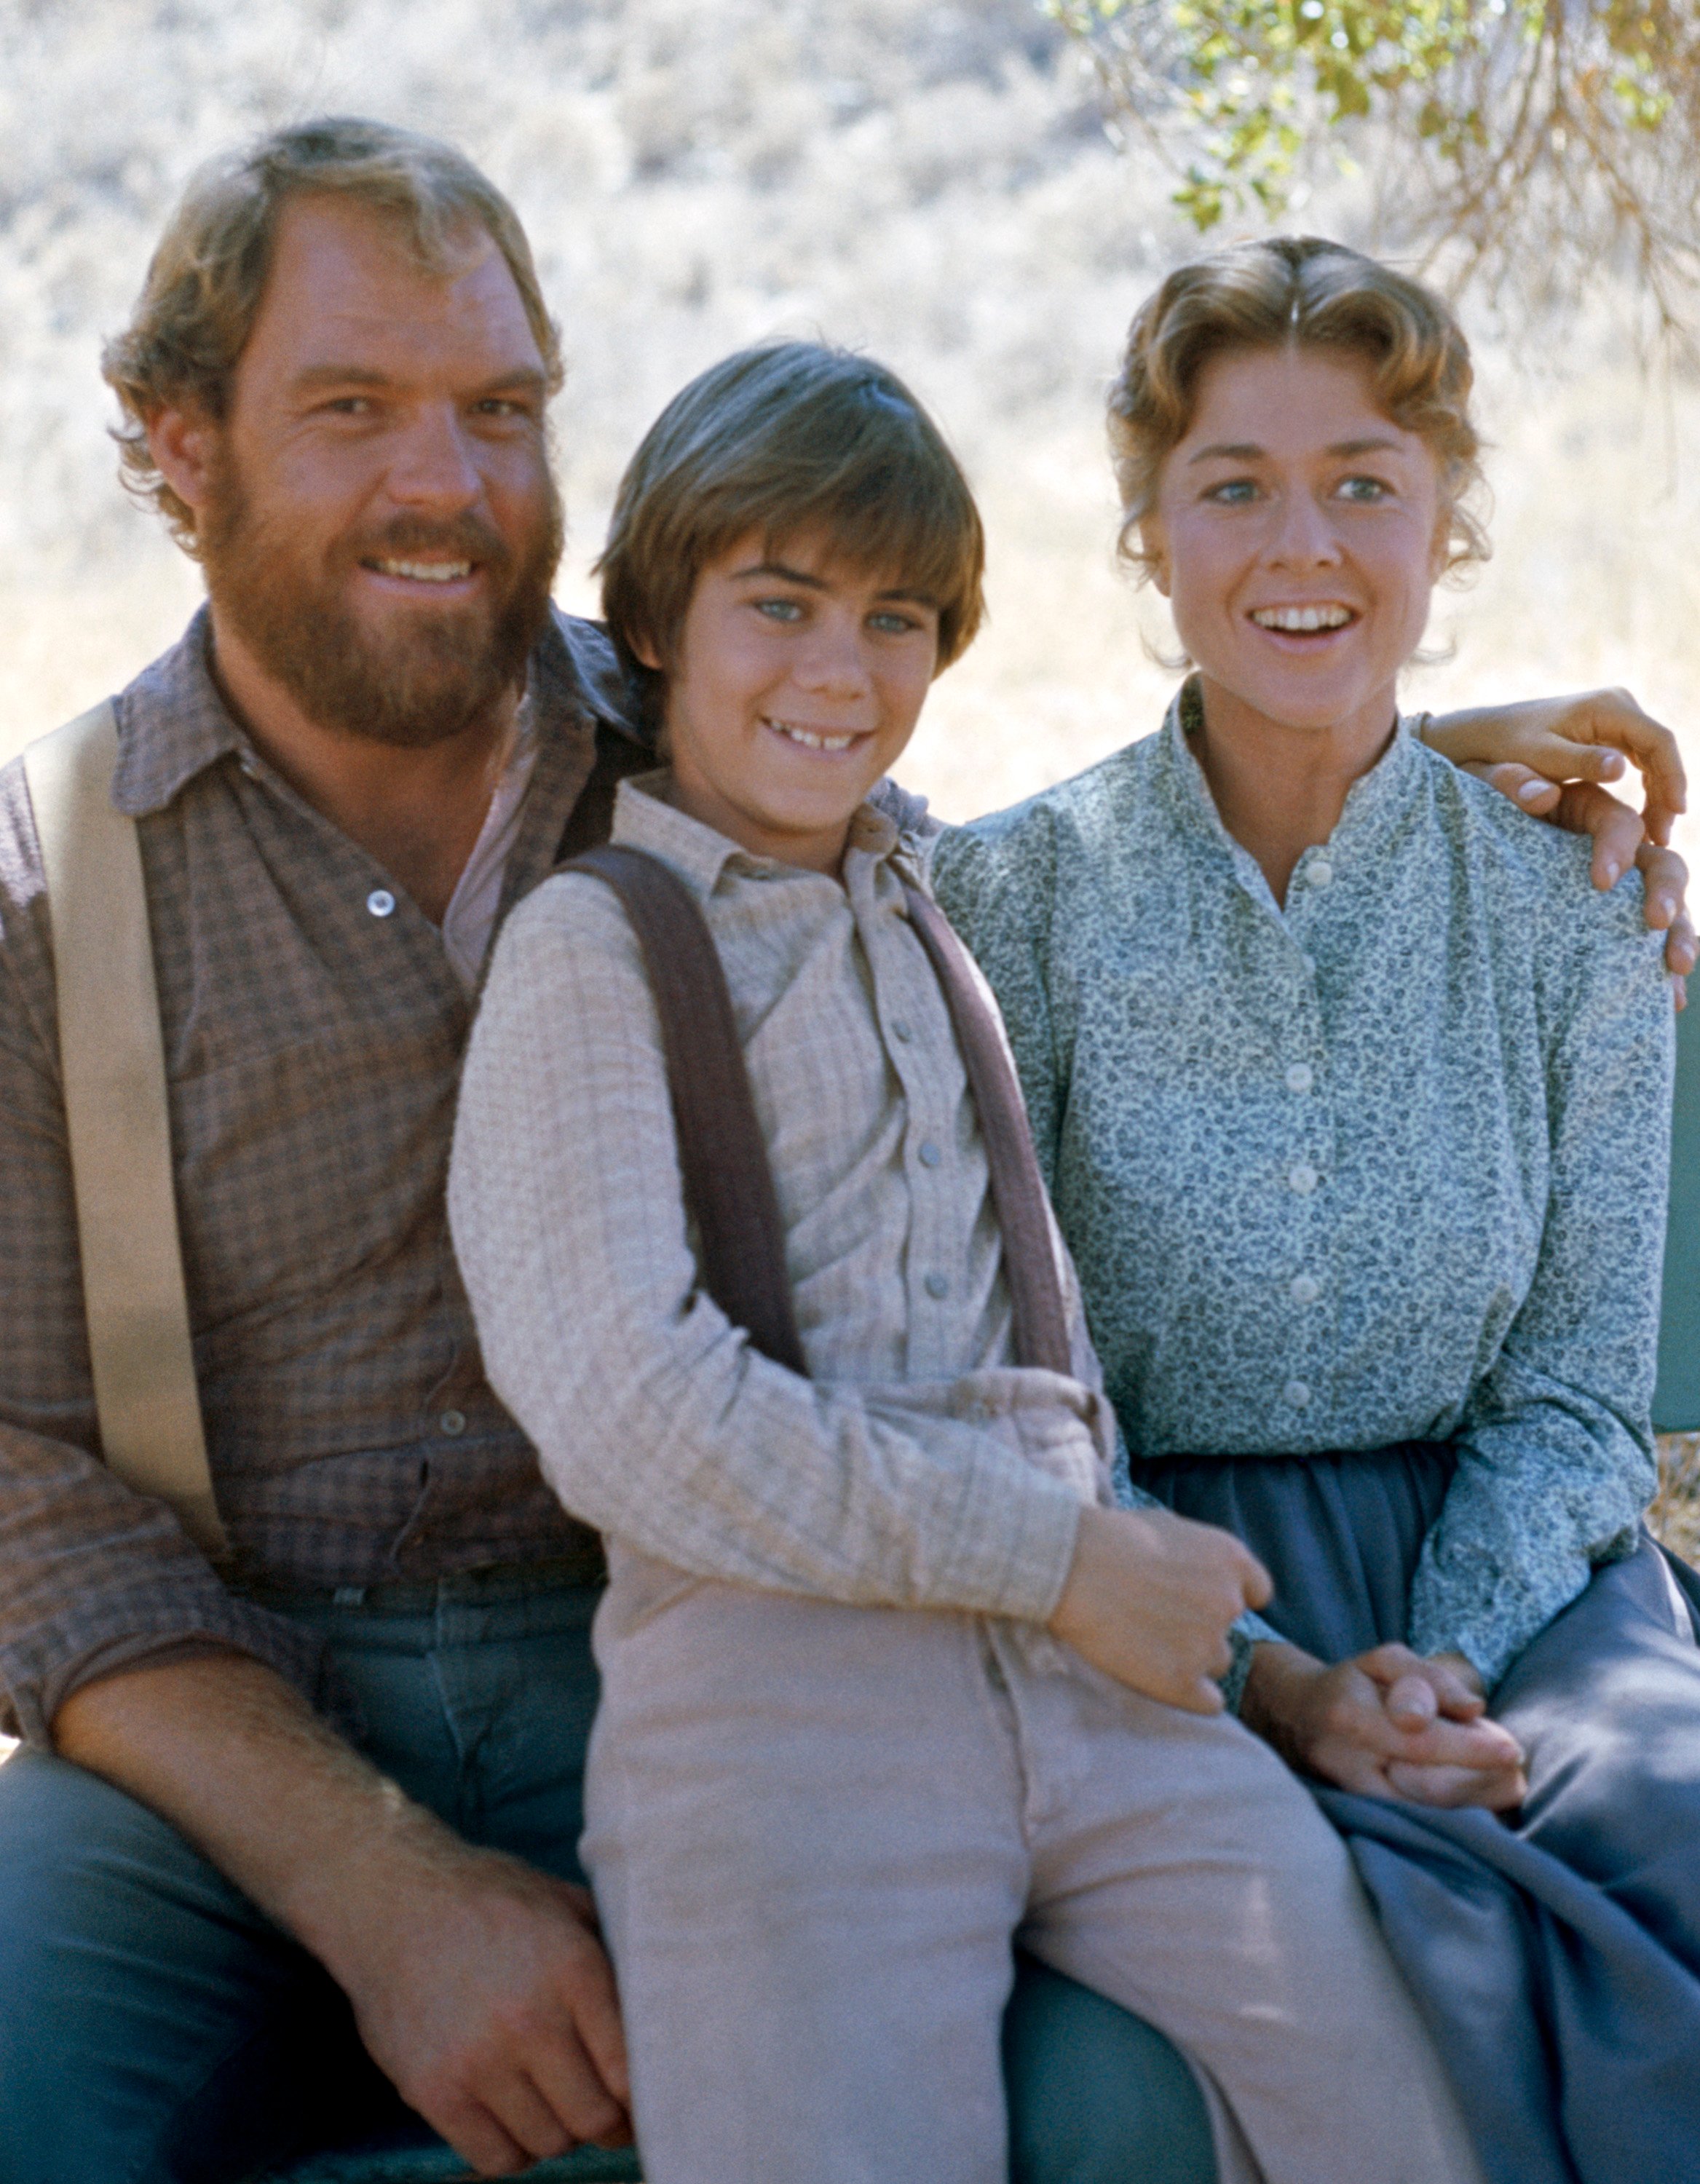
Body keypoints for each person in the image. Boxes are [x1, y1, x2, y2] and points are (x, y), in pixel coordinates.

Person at [0, 116, 1681, 2184]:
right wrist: (377, 1885)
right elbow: (26, 1490)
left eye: (501, 412)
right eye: (352, 409)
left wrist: (1389, 750)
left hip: (832, 1604)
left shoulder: (716, 741)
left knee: (1137, 2099)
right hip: (269, 1696)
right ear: (178, 438)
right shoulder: (47, 894)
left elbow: (949, 814)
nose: (444, 482)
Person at [447, 336, 1495, 2184]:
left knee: (1403, 2112)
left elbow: (1058, 1422)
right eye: (781, 605)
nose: (842, 675)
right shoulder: (593, 954)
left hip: (1104, 1702)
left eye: (900, 620)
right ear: (655, 622)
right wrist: (1065, 1565)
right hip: (785, 1722)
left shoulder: (927, 897)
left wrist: (1277, 1683)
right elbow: (629, 1415)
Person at [931, 235, 1699, 2180]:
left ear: (1447, 519)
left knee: (1672, 1857)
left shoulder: (1574, 917)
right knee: (1242, 1982)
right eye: (1235, 486)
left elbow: (1583, 1395)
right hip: (1139, 1588)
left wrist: (1439, 1658)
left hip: (1522, 1576)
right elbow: (1006, 1384)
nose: (1308, 543)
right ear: (1146, 529)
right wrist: (1283, 1687)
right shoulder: (1013, 909)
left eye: (1367, 480)